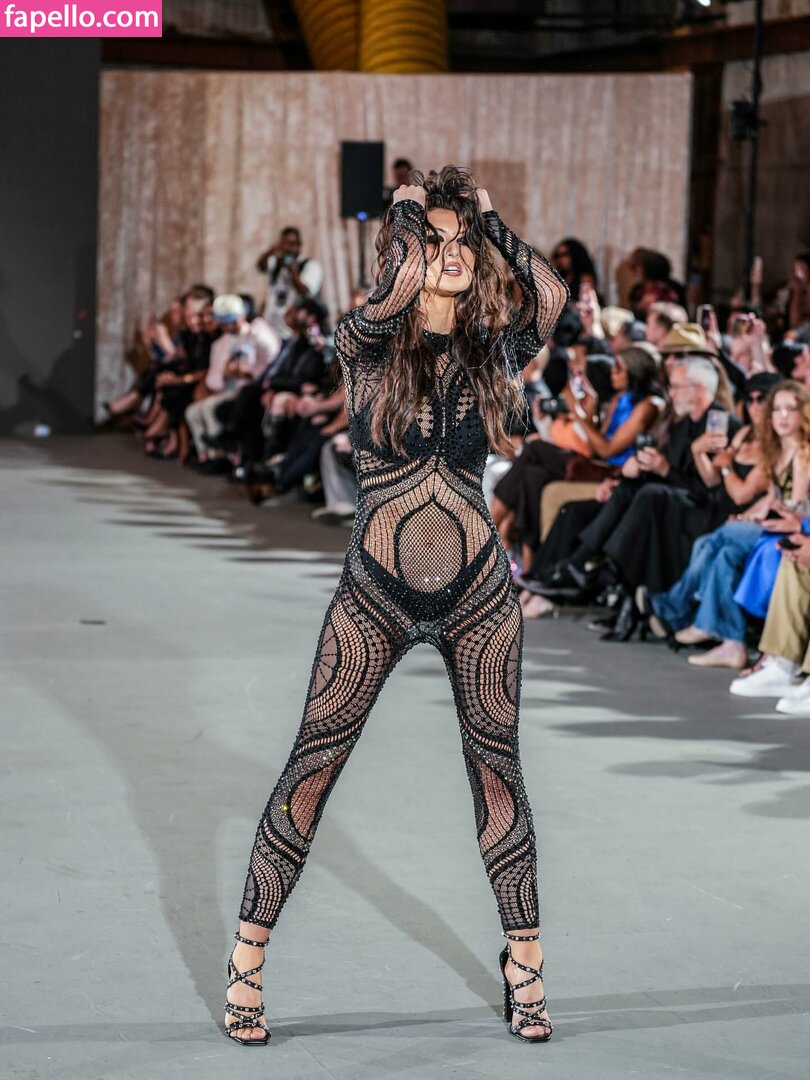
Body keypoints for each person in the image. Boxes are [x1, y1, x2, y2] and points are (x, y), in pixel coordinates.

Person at [223, 166, 568, 1045]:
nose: (449, 256)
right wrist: (412, 207)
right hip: (374, 594)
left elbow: (553, 295)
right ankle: (247, 962)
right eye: (434, 242)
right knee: (313, 769)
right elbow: (404, 279)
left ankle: (525, 964)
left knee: (498, 775)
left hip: (480, 594)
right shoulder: (366, 340)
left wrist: (489, 222)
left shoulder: (492, 351)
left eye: (462, 245)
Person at [256, 227, 324, 339]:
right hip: (270, 329)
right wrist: (272, 251)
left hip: (293, 331)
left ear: (298, 245)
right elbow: (261, 266)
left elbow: (306, 292)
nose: (286, 248)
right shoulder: (278, 264)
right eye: (283, 244)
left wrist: (293, 272)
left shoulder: (310, 266)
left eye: (291, 244)